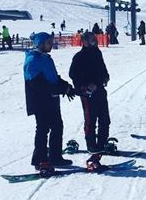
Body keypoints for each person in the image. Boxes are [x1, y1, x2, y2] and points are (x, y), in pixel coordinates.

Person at [23, 32, 75, 174]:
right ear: (40, 44)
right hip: (40, 101)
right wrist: (60, 89)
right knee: (43, 129)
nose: (51, 45)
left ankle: (55, 157)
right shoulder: (32, 60)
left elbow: (53, 78)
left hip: (52, 99)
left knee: (57, 126)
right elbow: (38, 84)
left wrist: (66, 87)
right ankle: (39, 159)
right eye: (48, 43)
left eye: (51, 42)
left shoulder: (46, 58)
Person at [69, 32, 111, 169]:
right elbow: (73, 74)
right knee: (90, 119)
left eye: (95, 39)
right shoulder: (79, 57)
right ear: (85, 42)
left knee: (105, 119)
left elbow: (103, 68)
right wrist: (84, 86)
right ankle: (91, 145)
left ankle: (102, 144)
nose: (95, 41)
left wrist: (105, 77)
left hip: (99, 90)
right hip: (87, 93)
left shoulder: (97, 53)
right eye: (92, 40)